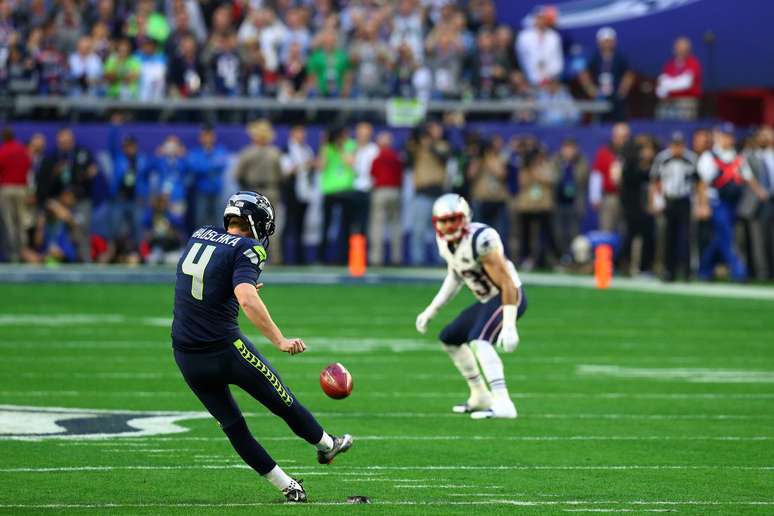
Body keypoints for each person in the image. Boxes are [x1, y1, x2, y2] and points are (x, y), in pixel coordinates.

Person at [171, 191, 353, 502]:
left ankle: (288, 487)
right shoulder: (248, 247)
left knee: (234, 426)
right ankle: (326, 444)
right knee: (282, 400)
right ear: (257, 223)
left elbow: (202, 285)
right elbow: (245, 297)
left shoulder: (200, 235)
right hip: (224, 350)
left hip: (186, 355)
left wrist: (236, 285)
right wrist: (280, 340)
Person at [415, 193, 526, 419]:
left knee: (479, 340)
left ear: (464, 218)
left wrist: (509, 325)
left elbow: (506, 282)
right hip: (488, 299)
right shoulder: (445, 242)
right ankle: (480, 396)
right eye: (443, 221)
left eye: (453, 219)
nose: (448, 226)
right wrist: (432, 310)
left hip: (509, 297)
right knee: (450, 337)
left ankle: (504, 403)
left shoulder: (482, 239)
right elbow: (455, 276)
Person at [697, 124, 767, 281]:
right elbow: (702, 184)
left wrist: (760, 192)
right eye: (725, 136)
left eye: (731, 136)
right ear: (719, 136)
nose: (729, 139)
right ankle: (738, 271)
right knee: (728, 236)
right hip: (717, 203)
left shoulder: (737, 156)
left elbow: (749, 178)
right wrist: (703, 205)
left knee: (720, 238)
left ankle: (704, 269)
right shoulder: (710, 157)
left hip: (733, 203)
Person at [650, 131, 699, 281]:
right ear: (670, 145)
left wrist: (699, 202)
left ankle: (686, 272)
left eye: (680, 145)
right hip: (669, 200)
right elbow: (655, 181)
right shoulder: (662, 158)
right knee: (667, 237)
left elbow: (699, 182)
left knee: (686, 237)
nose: (677, 148)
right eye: (674, 145)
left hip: (684, 200)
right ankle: (668, 271)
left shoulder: (691, 158)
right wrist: (657, 201)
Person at [578, 27, 635, 122]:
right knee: (599, 121)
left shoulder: (620, 57)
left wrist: (623, 90)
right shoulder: (594, 57)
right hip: (600, 96)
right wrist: (590, 89)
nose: (607, 44)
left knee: (619, 121)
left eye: (609, 41)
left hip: (616, 96)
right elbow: (583, 73)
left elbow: (629, 74)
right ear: (599, 42)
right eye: (605, 41)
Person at [280, 125, 315, 264]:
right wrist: (304, 165)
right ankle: (283, 257)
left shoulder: (307, 149)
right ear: (292, 133)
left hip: (304, 192)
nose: (302, 135)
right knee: (289, 224)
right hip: (291, 193)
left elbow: (310, 169)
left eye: (303, 132)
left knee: (301, 226)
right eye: (299, 132)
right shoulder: (286, 149)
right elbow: (287, 170)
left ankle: (300, 258)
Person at [550, 138, 589, 263]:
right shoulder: (556, 161)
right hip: (558, 202)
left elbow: (583, 178)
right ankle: (562, 257)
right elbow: (552, 178)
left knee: (573, 232)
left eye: (571, 149)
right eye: (566, 148)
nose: (569, 152)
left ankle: (574, 258)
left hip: (575, 202)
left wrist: (571, 168)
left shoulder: (581, 162)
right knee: (559, 233)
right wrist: (562, 169)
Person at [368, 131, 404, 266]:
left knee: (377, 226)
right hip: (395, 191)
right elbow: (401, 175)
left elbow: (373, 174)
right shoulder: (396, 157)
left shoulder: (377, 158)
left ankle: (376, 259)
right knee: (395, 226)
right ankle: (396, 258)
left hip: (381, 191)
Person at [590, 122, 631, 233]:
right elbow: (596, 175)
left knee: (627, 230)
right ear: (614, 136)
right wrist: (595, 196)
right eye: (619, 136)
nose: (622, 140)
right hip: (610, 196)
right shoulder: (604, 153)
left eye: (625, 137)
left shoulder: (633, 153)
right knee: (606, 229)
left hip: (629, 197)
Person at [187, 125, 229, 229]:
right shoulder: (195, 152)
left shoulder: (220, 150)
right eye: (205, 136)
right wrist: (211, 165)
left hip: (217, 191)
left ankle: (219, 244)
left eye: (210, 136)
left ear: (214, 137)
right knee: (200, 221)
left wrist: (204, 165)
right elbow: (194, 167)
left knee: (219, 221)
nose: (207, 139)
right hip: (201, 191)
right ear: (200, 138)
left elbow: (222, 165)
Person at [0, 128, 33, 262]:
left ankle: (13, 254)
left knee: (9, 222)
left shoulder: (3, 150)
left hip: (7, 188)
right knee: (21, 221)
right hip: (21, 188)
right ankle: (23, 251)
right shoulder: (22, 150)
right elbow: (29, 166)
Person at [656, 37, 702, 120]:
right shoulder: (670, 64)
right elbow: (661, 84)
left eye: (684, 48)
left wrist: (669, 83)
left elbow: (686, 83)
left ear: (688, 50)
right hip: (668, 101)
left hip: (686, 102)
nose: (681, 50)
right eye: (679, 47)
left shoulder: (693, 63)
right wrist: (671, 83)